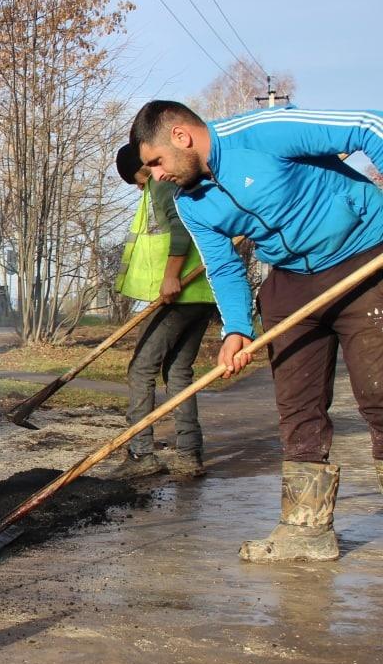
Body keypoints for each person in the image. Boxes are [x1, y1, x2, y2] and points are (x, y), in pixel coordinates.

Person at [131, 100, 383, 562]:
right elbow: (224, 266)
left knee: (379, 393)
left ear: (182, 137)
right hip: (291, 278)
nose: (156, 175)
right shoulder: (191, 202)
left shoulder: (263, 131)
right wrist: (236, 329)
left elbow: (368, 127)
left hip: (364, 254)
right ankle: (306, 530)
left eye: (156, 161)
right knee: (297, 405)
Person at [107, 143, 217, 480]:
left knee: (141, 369)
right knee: (179, 371)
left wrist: (170, 277)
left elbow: (181, 228)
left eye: (138, 179)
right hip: (202, 292)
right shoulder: (184, 181)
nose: (142, 186)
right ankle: (189, 454)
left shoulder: (162, 182)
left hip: (180, 292)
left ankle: (142, 454)